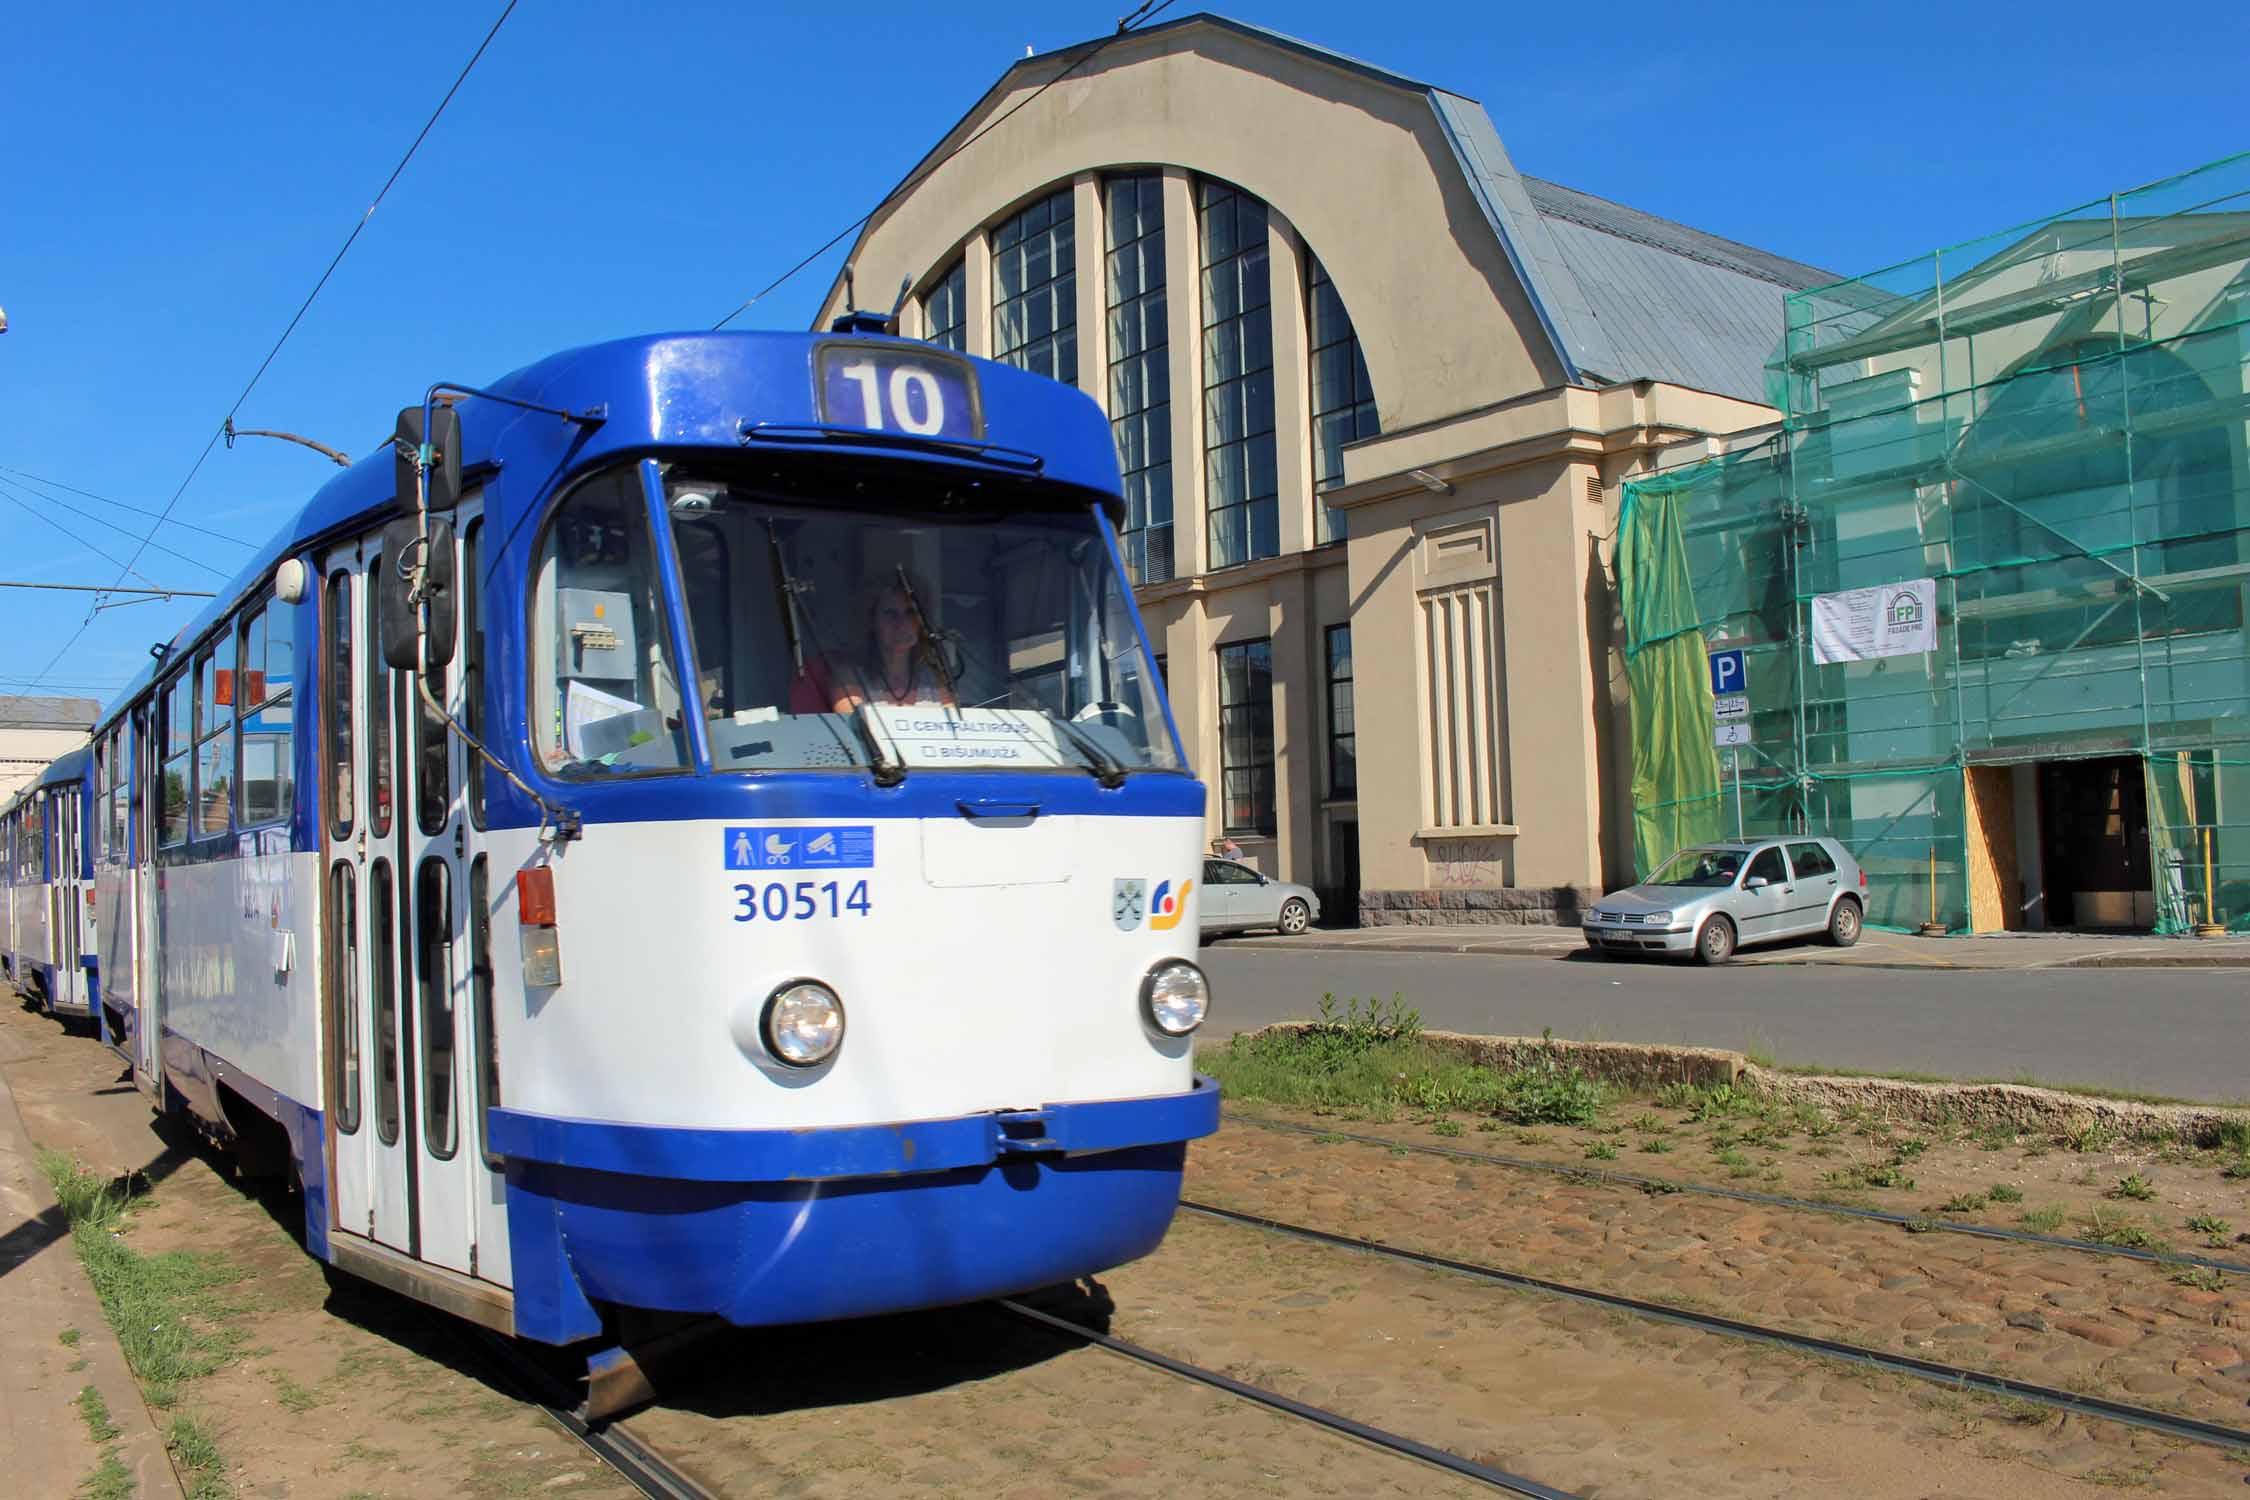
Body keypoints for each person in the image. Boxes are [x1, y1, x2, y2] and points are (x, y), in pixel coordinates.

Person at [789, 568, 958, 714]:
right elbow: (857, 730)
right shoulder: (848, 676)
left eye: (910, 613)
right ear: (871, 620)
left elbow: (956, 733)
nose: (902, 623)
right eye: (891, 614)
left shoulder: (935, 678)